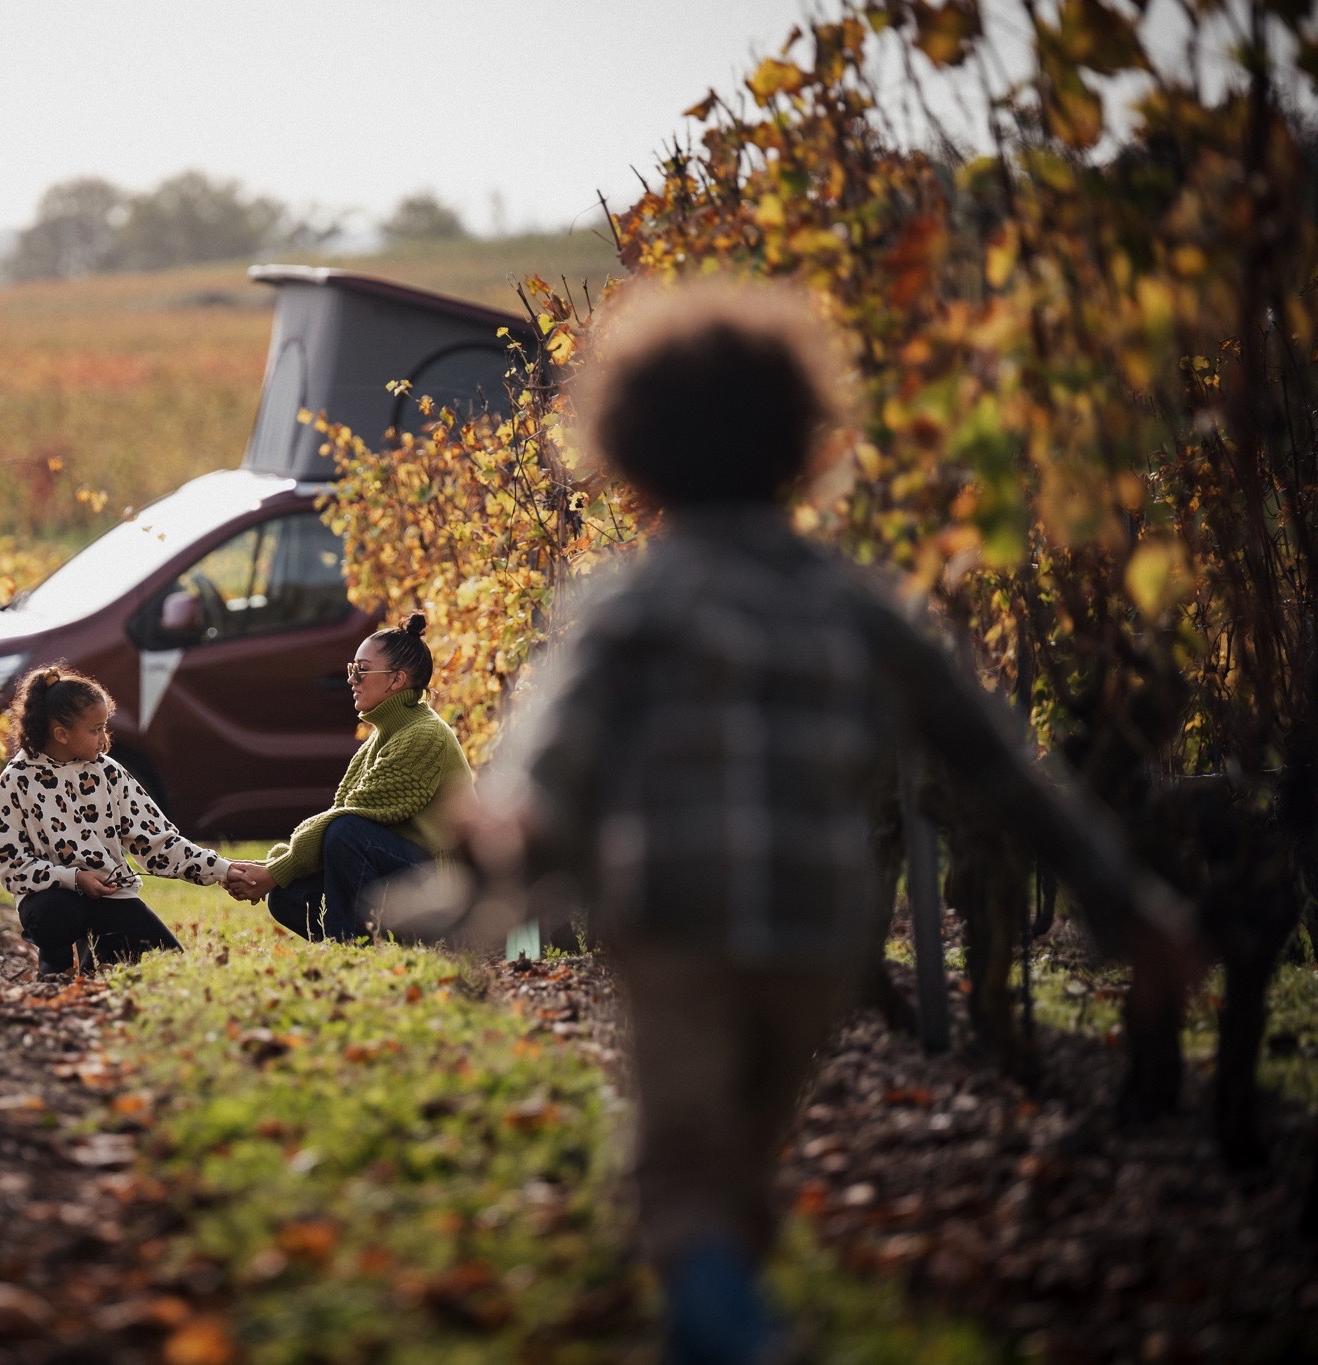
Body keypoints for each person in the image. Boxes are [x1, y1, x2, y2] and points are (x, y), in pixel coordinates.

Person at [447, 280, 1196, 1365]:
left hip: (671, 917)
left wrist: (507, 829)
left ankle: (723, 1326)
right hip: (814, 927)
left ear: (624, 456)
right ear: (808, 449)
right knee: (739, 1153)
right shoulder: (860, 606)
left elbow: (549, 750)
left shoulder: (623, 604)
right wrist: (1123, 905)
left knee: (682, 1164)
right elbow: (1003, 766)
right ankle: (727, 1310)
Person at [222, 613, 472, 940]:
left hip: (448, 889)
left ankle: (349, 947)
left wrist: (273, 870)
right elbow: (338, 824)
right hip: (404, 870)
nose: (352, 680)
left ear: (397, 680)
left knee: (346, 833)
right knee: (287, 895)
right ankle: (363, 947)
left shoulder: (424, 736)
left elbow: (349, 823)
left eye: (362, 670)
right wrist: (272, 873)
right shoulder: (381, 738)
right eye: (352, 669)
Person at [0, 666, 235, 974]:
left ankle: (96, 961)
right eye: (95, 730)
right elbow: (10, 865)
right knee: (55, 911)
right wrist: (74, 878)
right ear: (62, 734)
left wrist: (224, 869)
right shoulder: (17, 779)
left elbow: (158, 844)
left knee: (168, 960)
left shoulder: (109, 772)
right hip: (52, 899)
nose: (104, 739)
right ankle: (55, 968)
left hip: (109, 893)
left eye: (104, 727)